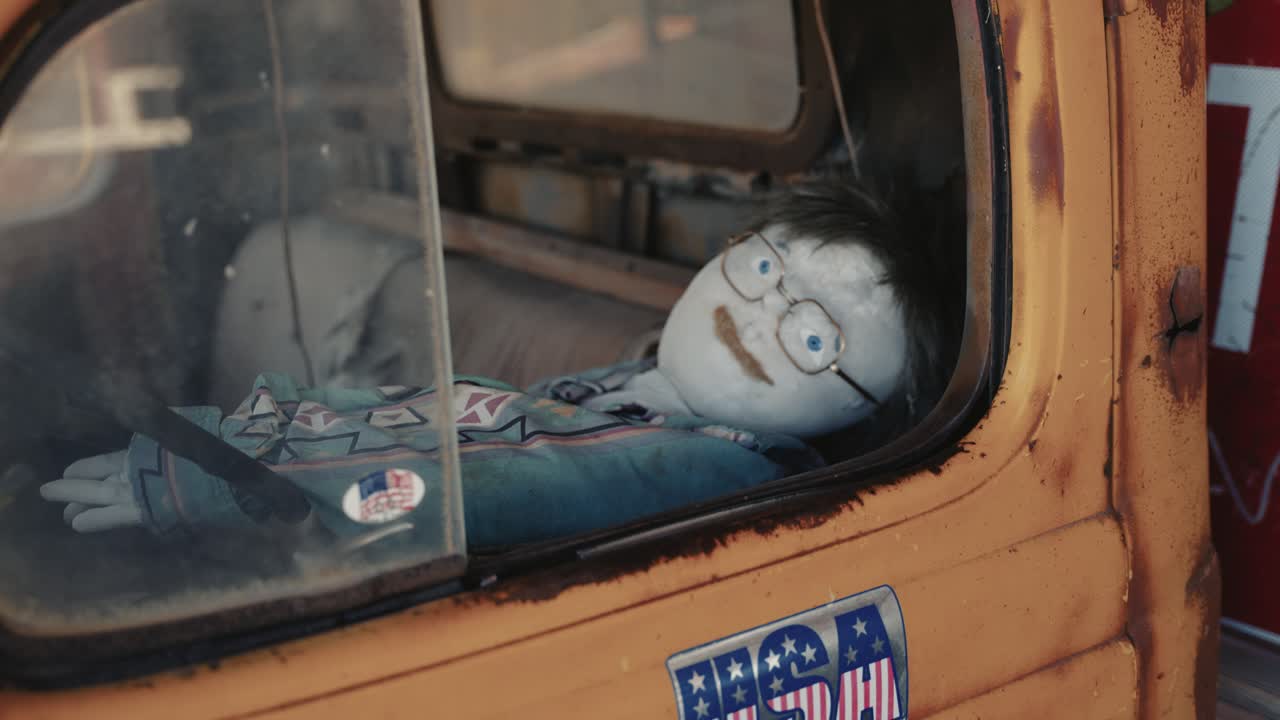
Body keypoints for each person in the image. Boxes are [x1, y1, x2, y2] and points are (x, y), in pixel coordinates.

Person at [38, 180, 947, 550]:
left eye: (815, 339)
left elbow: (439, 493)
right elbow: (429, 416)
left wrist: (229, 477)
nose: (759, 315)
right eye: (762, 267)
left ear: (850, 410)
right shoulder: (633, 392)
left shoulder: (702, 465)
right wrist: (255, 425)